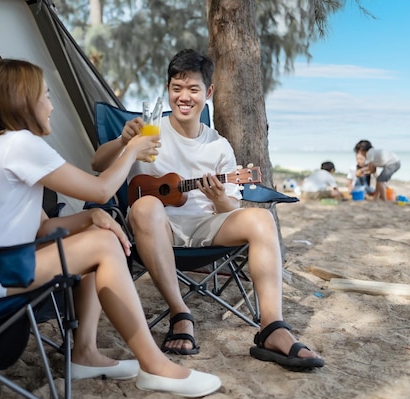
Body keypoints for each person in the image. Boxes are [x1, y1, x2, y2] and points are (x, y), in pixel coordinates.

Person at [0, 59, 221, 398]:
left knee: (98, 236)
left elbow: (43, 227)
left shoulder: (3, 148)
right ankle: (154, 366)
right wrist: (131, 149)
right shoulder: (20, 144)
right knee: (103, 246)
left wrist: (90, 219)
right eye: (46, 96)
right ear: (23, 100)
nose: (51, 107)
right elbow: (100, 190)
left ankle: (84, 354)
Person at [91, 49, 324, 371]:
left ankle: (272, 328)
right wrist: (123, 143)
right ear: (168, 89)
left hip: (205, 226)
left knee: (261, 218)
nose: (184, 97)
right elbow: (96, 164)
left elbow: (229, 207)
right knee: (145, 205)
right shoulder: (150, 131)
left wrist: (217, 199)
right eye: (177, 88)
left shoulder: (218, 146)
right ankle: (179, 313)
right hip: (155, 228)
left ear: (208, 93)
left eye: (193, 89)